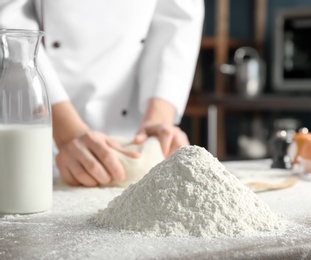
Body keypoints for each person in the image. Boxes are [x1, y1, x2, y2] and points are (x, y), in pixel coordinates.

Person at [0, 0, 204, 187]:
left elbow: (178, 20)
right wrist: (68, 134)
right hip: (36, 130)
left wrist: (159, 119)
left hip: (132, 129)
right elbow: (11, 24)